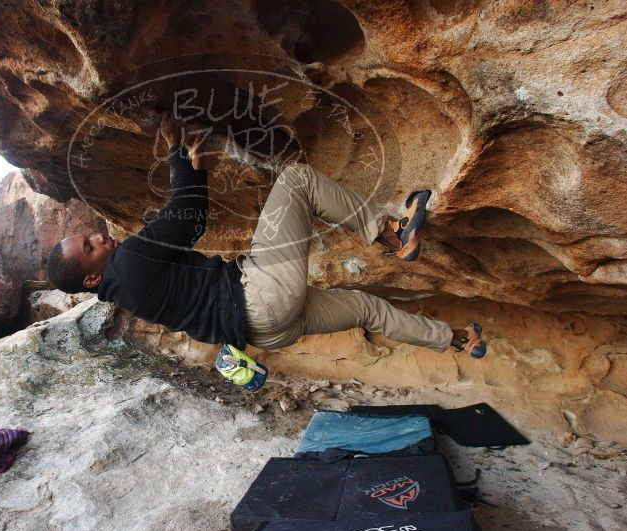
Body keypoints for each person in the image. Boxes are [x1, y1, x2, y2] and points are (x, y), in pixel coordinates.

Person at [47, 113, 486, 390]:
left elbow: (192, 221)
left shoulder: (127, 291)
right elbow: (185, 213)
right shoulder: (127, 265)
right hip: (259, 296)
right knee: (297, 180)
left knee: (366, 308)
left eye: (92, 236)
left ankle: (456, 339)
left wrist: (192, 165)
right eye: (89, 247)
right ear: (90, 277)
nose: (100, 238)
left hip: (266, 333)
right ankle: (393, 234)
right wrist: (176, 151)